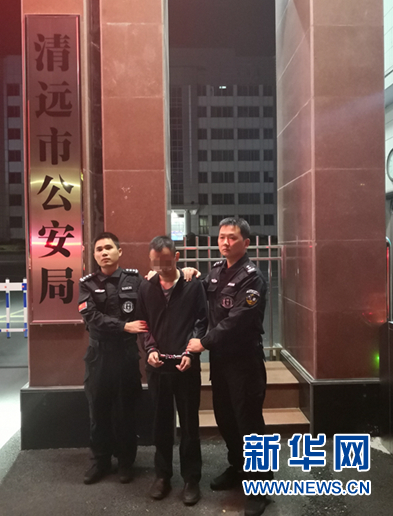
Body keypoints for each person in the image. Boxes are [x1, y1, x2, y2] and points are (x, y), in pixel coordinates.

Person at [187, 218, 272, 516]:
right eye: (221, 237)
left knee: (250, 425)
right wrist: (188, 274)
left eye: (232, 237)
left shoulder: (252, 278)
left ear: (245, 243)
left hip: (244, 361)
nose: (225, 242)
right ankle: (238, 468)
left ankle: (261, 488)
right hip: (221, 362)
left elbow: (238, 320)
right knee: (225, 419)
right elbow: (201, 301)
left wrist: (204, 342)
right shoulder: (215, 271)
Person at [137, 236, 208, 506]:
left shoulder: (192, 285)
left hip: (186, 366)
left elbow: (202, 321)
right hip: (157, 367)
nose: (161, 268)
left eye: (166, 262)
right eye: (155, 263)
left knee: (189, 424)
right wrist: (150, 349)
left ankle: (192, 479)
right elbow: (144, 323)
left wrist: (191, 352)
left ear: (176, 258)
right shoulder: (146, 286)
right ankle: (162, 475)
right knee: (161, 424)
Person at [78, 232, 148, 485]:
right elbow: (92, 317)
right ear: (94, 255)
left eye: (108, 248)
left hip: (126, 354)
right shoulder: (86, 284)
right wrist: (124, 326)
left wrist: (187, 272)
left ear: (120, 252)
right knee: (98, 411)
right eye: (99, 249)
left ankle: (126, 462)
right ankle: (101, 461)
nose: (104, 253)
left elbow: (152, 302)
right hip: (98, 356)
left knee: (126, 411)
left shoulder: (135, 280)